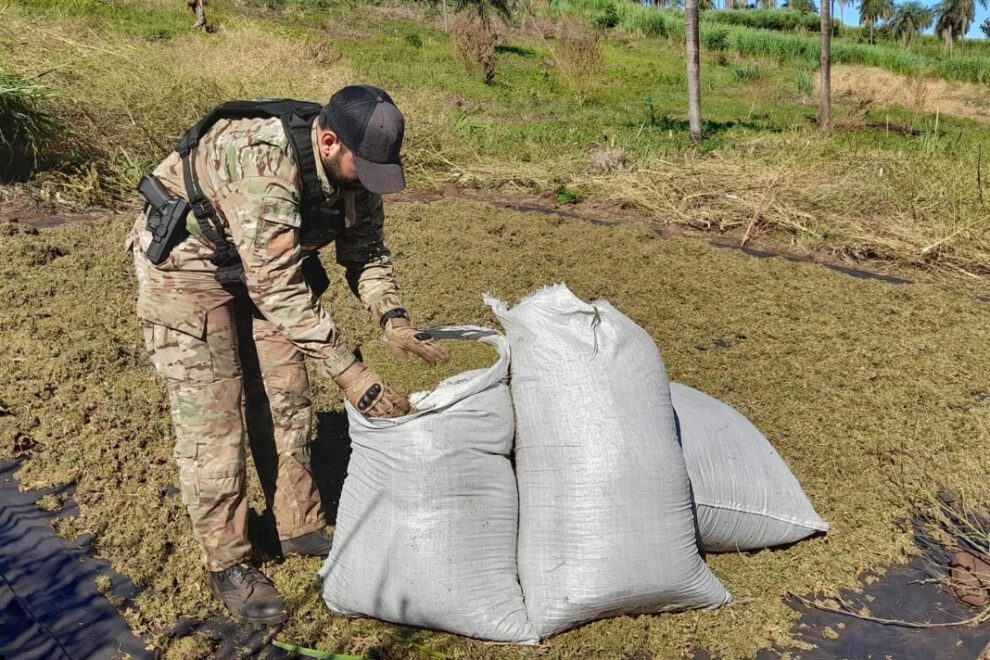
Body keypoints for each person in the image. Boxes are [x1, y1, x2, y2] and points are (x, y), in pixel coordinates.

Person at [128, 86, 449, 624]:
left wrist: (393, 319)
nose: (370, 182)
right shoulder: (262, 159)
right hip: (188, 274)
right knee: (215, 420)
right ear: (327, 141)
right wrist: (354, 374)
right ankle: (227, 561)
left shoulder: (357, 167)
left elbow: (365, 251)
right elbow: (277, 289)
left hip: (264, 267)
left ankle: (297, 524)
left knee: (288, 397)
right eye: (362, 169)